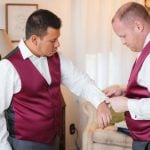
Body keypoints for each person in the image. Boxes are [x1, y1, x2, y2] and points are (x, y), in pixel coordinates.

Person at [0, 9, 111, 150]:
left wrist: (100, 102)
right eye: (53, 40)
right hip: (23, 144)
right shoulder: (7, 67)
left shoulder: (57, 57)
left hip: (53, 140)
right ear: (34, 39)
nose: (58, 44)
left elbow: (81, 81)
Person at [104, 2, 150, 150]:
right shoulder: (144, 51)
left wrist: (126, 104)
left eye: (123, 36)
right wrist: (124, 91)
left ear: (138, 26)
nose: (123, 42)